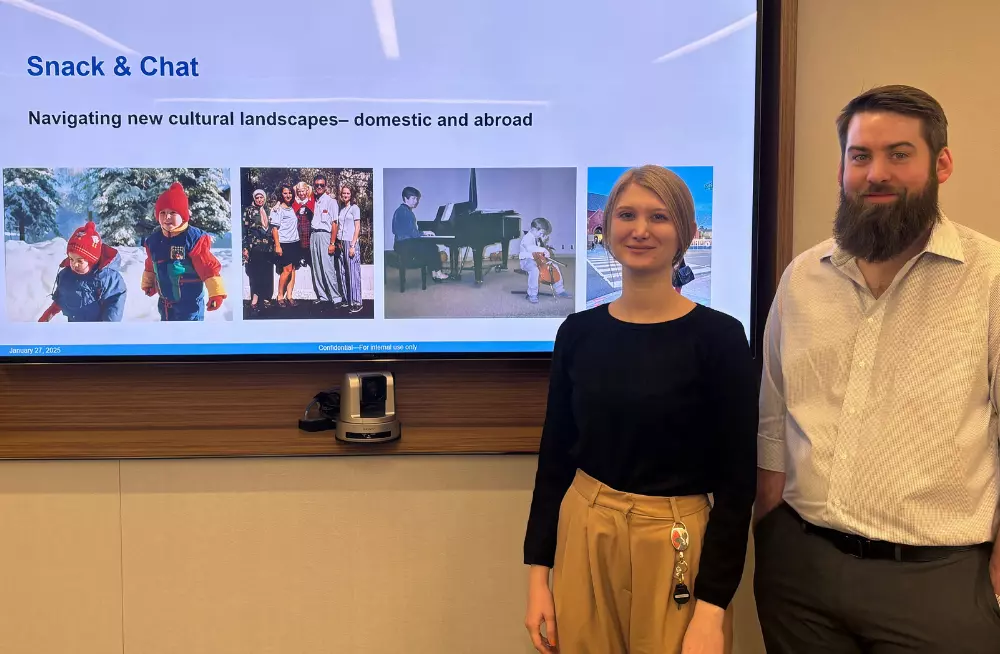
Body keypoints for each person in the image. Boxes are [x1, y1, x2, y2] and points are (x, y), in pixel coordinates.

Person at [754, 84, 1000, 653]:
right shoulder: (802, 278)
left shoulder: (989, 279)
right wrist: (769, 534)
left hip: (938, 584)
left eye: (899, 154)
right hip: (802, 576)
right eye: (860, 155)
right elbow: (773, 418)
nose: (876, 173)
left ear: (941, 163)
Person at [523, 165, 757, 654]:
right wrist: (538, 578)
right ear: (606, 230)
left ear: (686, 233)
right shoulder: (577, 333)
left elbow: (737, 485)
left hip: (676, 539)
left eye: (659, 216)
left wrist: (713, 609)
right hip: (585, 531)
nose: (641, 229)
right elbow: (555, 461)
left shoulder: (720, 338)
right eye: (626, 215)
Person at [141, 181, 226, 321]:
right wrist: (149, 282)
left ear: (184, 215)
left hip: (190, 304)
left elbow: (208, 266)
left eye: (172, 212)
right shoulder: (154, 241)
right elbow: (151, 263)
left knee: (190, 337)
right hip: (165, 303)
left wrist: (216, 293)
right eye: (162, 212)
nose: (167, 217)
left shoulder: (193, 239)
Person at [38, 221, 126, 322]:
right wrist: (48, 315)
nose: (74, 264)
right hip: (76, 328)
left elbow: (114, 302)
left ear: (92, 260)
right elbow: (62, 298)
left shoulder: (106, 277)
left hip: (99, 329)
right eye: (71, 259)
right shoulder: (66, 276)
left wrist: (107, 328)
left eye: (80, 261)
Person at [390, 186, 448, 281]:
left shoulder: (399, 210)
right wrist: (425, 232)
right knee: (431, 246)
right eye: (413, 198)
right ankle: (438, 272)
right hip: (405, 246)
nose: (416, 201)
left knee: (428, 245)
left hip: (398, 244)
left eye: (416, 198)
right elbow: (414, 234)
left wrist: (420, 234)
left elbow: (395, 230)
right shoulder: (407, 213)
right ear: (405, 198)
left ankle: (433, 272)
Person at [518, 216, 571, 303]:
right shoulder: (527, 238)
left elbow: (538, 251)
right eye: (541, 233)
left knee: (554, 267)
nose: (541, 235)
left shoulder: (536, 237)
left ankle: (560, 290)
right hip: (526, 261)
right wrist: (543, 249)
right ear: (534, 229)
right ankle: (532, 294)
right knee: (534, 270)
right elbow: (530, 248)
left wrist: (543, 243)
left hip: (538, 259)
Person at [309, 174, 343, 305]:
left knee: (328, 268)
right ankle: (323, 297)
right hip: (314, 235)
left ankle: (336, 298)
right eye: (316, 185)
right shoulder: (314, 200)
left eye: (321, 185)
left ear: (325, 186)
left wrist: (332, 243)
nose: (319, 187)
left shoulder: (331, 201)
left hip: (325, 235)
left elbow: (335, 223)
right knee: (316, 268)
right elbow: (297, 191)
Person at [243, 189, 275, 312]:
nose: (260, 200)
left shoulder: (269, 210)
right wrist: (245, 247)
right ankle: (255, 297)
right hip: (254, 247)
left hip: (268, 248)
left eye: (262, 197)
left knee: (267, 273)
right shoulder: (249, 211)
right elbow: (244, 229)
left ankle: (267, 297)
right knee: (255, 273)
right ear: (254, 198)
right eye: (257, 198)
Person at [269, 185, 301, 307]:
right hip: (284, 243)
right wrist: (278, 245)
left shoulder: (292, 208)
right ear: (281, 195)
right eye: (285, 193)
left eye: (290, 193)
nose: (288, 195)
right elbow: (274, 229)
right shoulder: (277, 209)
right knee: (286, 271)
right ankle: (280, 296)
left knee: (292, 270)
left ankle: (290, 296)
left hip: (295, 242)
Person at [335, 183, 363, 313]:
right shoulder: (341, 208)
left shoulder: (354, 208)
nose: (345, 195)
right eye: (343, 193)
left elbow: (357, 227)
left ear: (351, 195)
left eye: (348, 193)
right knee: (342, 272)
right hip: (341, 242)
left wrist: (352, 245)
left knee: (353, 273)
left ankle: (357, 302)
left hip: (351, 242)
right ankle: (347, 299)